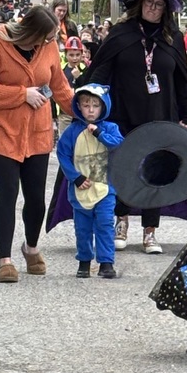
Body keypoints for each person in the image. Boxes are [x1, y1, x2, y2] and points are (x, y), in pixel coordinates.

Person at [79, 0, 187, 255]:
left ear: (166, 11)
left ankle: (150, 231)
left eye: (158, 5)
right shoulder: (122, 33)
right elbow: (101, 69)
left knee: (156, 170)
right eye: (148, 3)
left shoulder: (172, 38)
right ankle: (121, 222)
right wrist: (88, 101)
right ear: (140, 4)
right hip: (123, 113)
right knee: (123, 167)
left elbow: (181, 80)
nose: (152, 8)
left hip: (161, 114)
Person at [0, 6, 75, 283]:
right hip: (2, 131)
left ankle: (30, 248)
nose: (48, 42)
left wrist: (88, 113)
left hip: (37, 133)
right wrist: (22, 94)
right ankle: (5, 261)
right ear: (31, 32)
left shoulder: (50, 46)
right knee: (7, 193)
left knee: (36, 198)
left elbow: (60, 87)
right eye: (45, 37)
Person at [56, 83, 124, 280]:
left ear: (104, 107)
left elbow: (119, 146)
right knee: (82, 228)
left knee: (104, 224)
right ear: (79, 106)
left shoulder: (110, 128)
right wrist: (75, 177)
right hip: (81, 188)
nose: (91, 110)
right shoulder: (72, 131)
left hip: (105, 187)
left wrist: (99, 134)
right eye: (86, 105)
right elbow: (63, 154)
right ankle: (84, 261)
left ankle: (106, 262)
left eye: (96, 105)